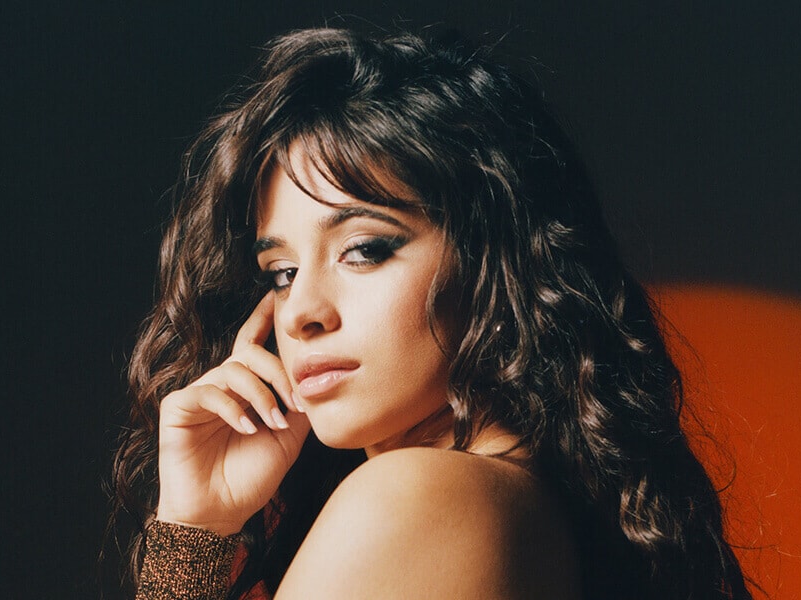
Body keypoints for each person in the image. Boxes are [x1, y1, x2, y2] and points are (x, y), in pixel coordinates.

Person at [110, 26, 752, 599]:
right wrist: (198, 524)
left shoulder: (413, 496)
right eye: (282, 273)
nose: (301, 312)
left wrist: (187, 542)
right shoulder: (535, 506)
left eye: (365, 249)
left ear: (491, 261)